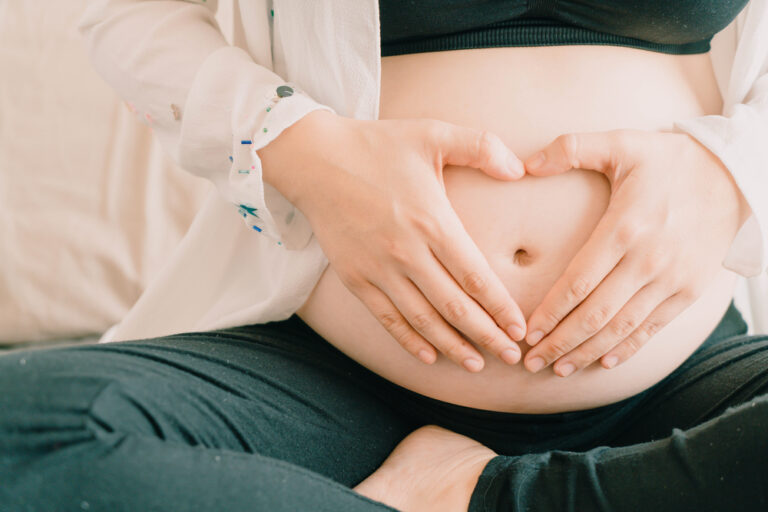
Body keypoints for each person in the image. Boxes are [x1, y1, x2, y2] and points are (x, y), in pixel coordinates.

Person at [1, 1, 767, 510]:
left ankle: (482, 495)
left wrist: (733, 175)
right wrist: (296, 145)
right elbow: (133, 15)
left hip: (683, 380)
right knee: (24, 429)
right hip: (335, 378)